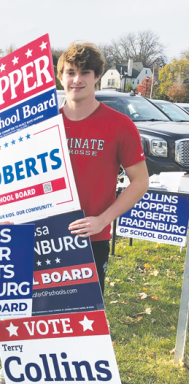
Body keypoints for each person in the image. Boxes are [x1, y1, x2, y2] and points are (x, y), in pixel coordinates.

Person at [57, 42, 149, 293]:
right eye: (70, 72)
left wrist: (103, 220)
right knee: (43, 321)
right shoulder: (45, 124)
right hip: (44, 237)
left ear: (97, 76)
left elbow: (140, 182)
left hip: (92, 237)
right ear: (60, 76)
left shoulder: (119, 125)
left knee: (85, 321)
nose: (77, 79)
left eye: (85, 72)